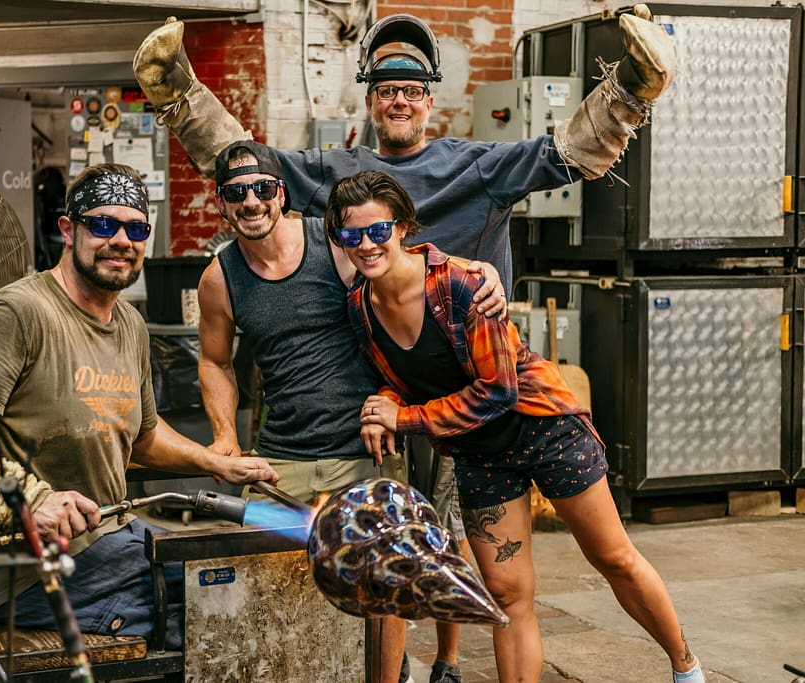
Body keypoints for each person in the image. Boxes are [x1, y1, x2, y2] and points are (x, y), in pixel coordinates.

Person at [134, 8, 675, 680]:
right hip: (385, 384)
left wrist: (626, 88)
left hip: (473, 392)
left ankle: (448, 658)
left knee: (447, 533)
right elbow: (250, 169)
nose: (399, 98)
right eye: (387, 86)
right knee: (397, 540)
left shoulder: (474, 165)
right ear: (369, 98)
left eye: (412, 88)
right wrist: (181, 96)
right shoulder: (338, 171)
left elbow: (568, 153)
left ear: (428, 100)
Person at [324, 169, 705, 683]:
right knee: (505, 595)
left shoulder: (461, 285)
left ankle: (685, 666)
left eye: (377, 230)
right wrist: (383, 402)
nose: (366, 245)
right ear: (338, 240)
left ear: (403, 227)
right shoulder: (360, 309)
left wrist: (405, 418)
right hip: (480, 453)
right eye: (351, 235)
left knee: (613, 557)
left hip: (543, 428)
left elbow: (498, 391)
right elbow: (406, 377)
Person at [0, 163, 279, 650]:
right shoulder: (17, 314)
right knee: (224, 608)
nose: (121, 239)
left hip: (109, 537)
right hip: (20, 569)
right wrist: (32, 502)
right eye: (103, 225)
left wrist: (214, 461)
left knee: (241, 578)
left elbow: (141, 435)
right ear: (67, 229)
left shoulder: (129, 324)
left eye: (136, 229)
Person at [199, 140, 506, 683]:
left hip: (364, 448)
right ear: (220, 203)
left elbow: (401, 260)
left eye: (262, 189)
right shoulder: (219, 279)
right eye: (236, 193)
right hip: (279, 458)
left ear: (282, 194)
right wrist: (225, 436)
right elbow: (215, 362)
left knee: (382, 583)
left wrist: (479, 272)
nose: (250, 202)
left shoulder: (334, 245)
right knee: (268, 583)